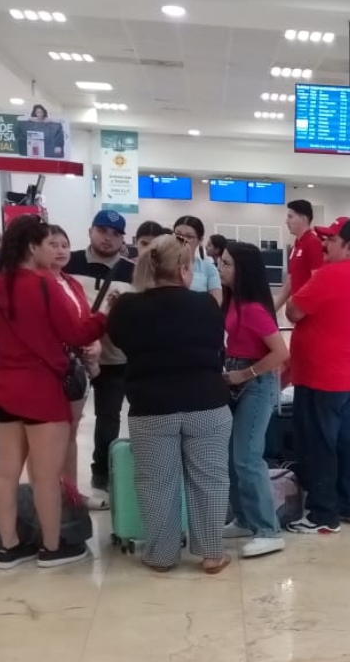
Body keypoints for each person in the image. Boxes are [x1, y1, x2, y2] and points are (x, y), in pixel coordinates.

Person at [0, 215, 109, 568]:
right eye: (46, 243)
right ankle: (52, 548)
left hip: (2, 385)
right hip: (41, 389)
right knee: (46, 476)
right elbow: (78, 332)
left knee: (5, 471)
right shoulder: (42, 284)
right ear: (33, 247)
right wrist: (107, 314)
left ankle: (9, 546)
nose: (52, 249)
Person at [108, 234, 232, 574]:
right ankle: (210, 553)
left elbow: (117, 340)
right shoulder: (206, 305)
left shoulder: (127, 307)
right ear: (182, 269)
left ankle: (161, 555)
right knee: (210, 480)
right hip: (206, 404)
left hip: (151, 408)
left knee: (156, 482)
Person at [286, 218, 350, 533]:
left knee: (319, 446)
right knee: (349, 445)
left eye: (331, 240)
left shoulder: (330, 275)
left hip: (321, 378)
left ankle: (322, 515)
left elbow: (293, 311)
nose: (324, 244)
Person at [219, 242, 290, 557]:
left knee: (248, 457)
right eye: (221, 262)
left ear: (243, 270)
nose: (220, 268)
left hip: (256, 385)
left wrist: (244, 374)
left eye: (227, 264)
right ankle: (245, 518)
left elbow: (280, 353)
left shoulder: (253, 309)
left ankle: (268, 529)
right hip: (237, 379)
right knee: (233, 457)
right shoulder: (233, 301)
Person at [62, 210, 136, 510]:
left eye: (115, 233)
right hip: (70, 357)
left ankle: (102, 473)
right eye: (103, 230)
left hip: (114, 357)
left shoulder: (132, 271)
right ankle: (65, 488)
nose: (108, 237)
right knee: (68, 421)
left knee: (109, 418)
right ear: (90, 230)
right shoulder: (69, 262)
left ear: (122, 238)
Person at [48, 225, 100, 490]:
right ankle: (47, 497)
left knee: (70, 432)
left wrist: (93, 343)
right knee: (49, 437)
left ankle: (70, 495)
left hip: (74, 370)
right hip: (49, 370)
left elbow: (83, 321)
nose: (60, 250)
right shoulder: (36, 284)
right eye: (52, 244)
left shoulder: (71, 283)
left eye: (64, 245)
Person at [273, 199, 323, 311]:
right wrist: (272, 311)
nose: (286, 221)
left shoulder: (313, 242)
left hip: (308, 313)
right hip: (298, 311)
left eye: (290, 217)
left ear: (304, 219)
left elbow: (317, 282)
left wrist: (302, 307)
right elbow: (289, 284)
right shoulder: (295, 246)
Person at [172, 216, 222, 305]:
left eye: (189, 236)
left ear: (200, 240)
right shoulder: (162, 264)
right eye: (178, 235)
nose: (183, 240)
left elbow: (216, 303)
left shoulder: (209, 269)